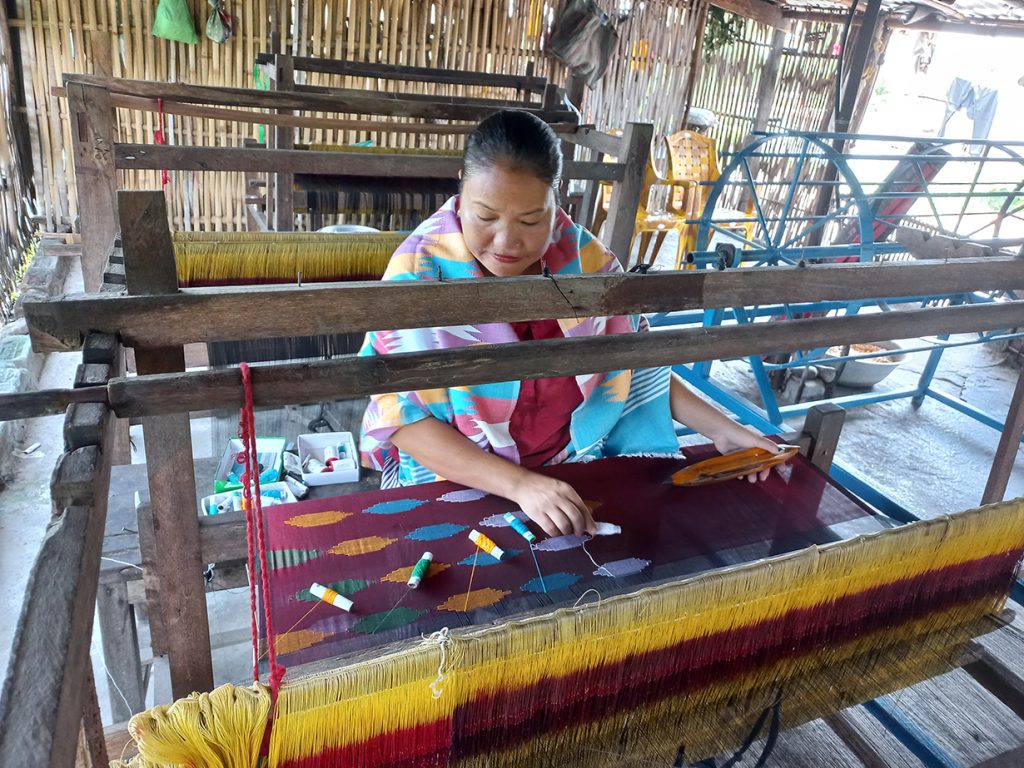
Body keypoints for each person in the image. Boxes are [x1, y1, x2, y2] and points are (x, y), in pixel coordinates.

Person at [359, 110, 779, 538]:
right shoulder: (418, 273)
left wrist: (723, 430)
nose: (506, 241)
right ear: (461, 186)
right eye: (485, 216)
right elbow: (400, 415)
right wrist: (520, 485)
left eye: (530, 220)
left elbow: (632, 367)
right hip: (459, 478)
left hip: (572, 467)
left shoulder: (586, 264)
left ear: (555, 200)